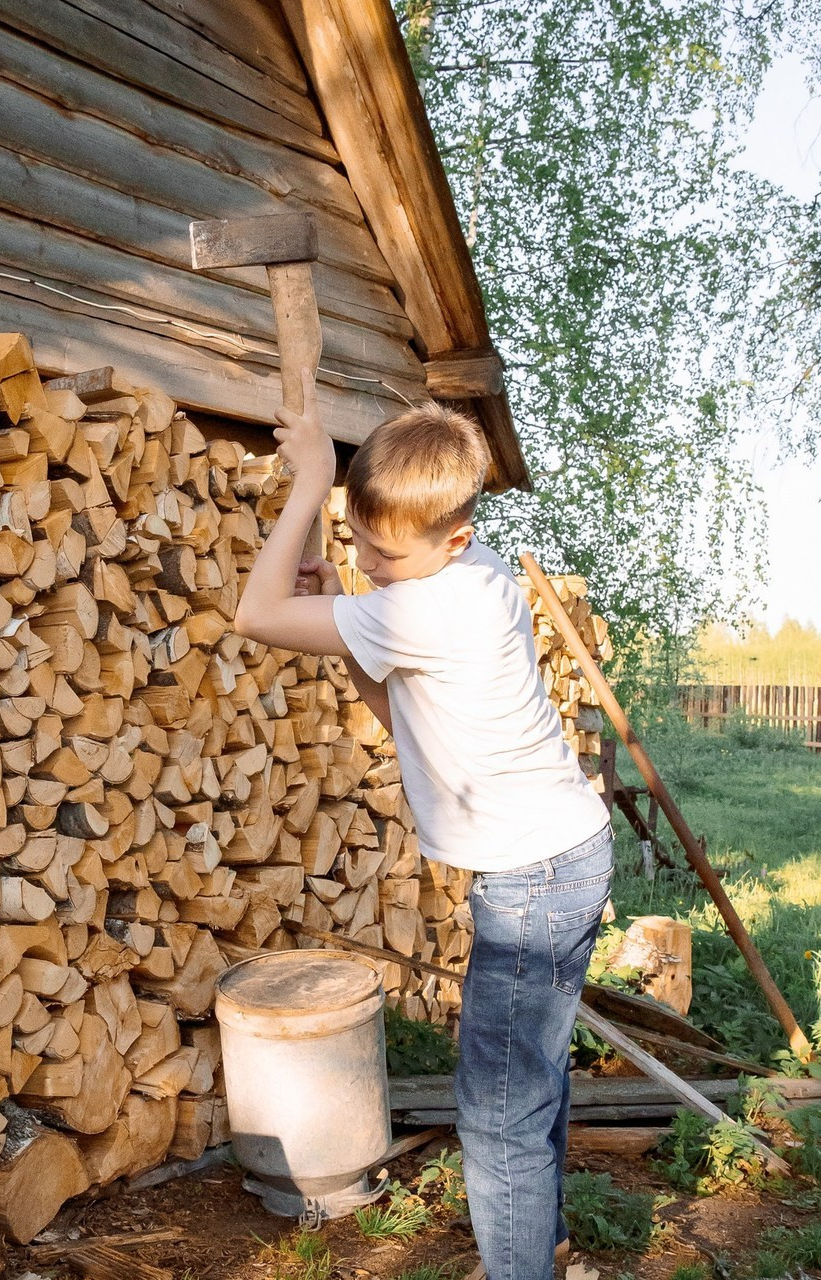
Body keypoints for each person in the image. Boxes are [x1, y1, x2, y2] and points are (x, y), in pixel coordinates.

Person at [232, 375, 613, 1280]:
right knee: (533, 1077)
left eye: (384, 557)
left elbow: (254, 614)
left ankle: (520, 1265)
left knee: (496, 1106)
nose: (367, 567)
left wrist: (307, 485)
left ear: (456, 537)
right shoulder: (467, 582)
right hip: (563, 857)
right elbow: (396, 702)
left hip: (533, 880)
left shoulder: (426, 602)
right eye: (358, 546)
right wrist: (357, 616)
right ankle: (541, 1244)